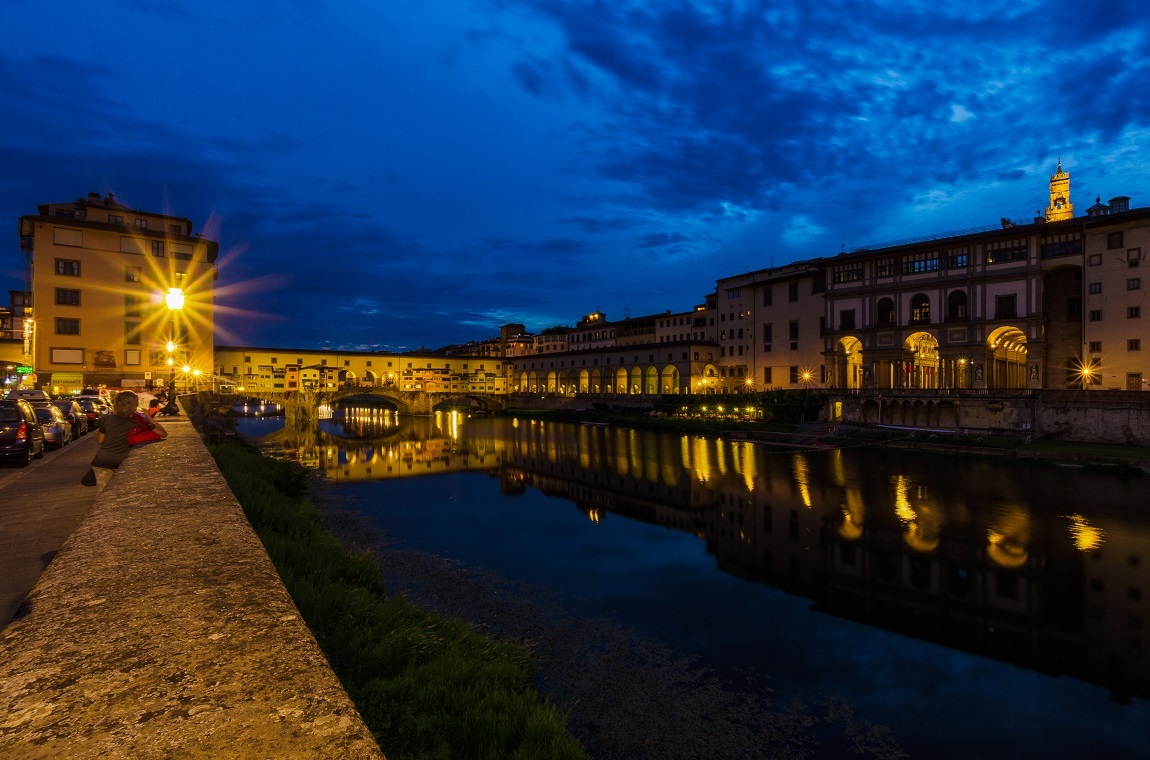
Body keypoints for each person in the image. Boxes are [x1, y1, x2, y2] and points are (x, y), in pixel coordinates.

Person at [90, 391, 167, 493]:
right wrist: (148, 417)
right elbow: (163, 433)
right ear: (135, 404)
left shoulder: (106, 419)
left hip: (102, 461)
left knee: (103, 493)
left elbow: (100, 441)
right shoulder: (138, 422)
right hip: (123, 461)